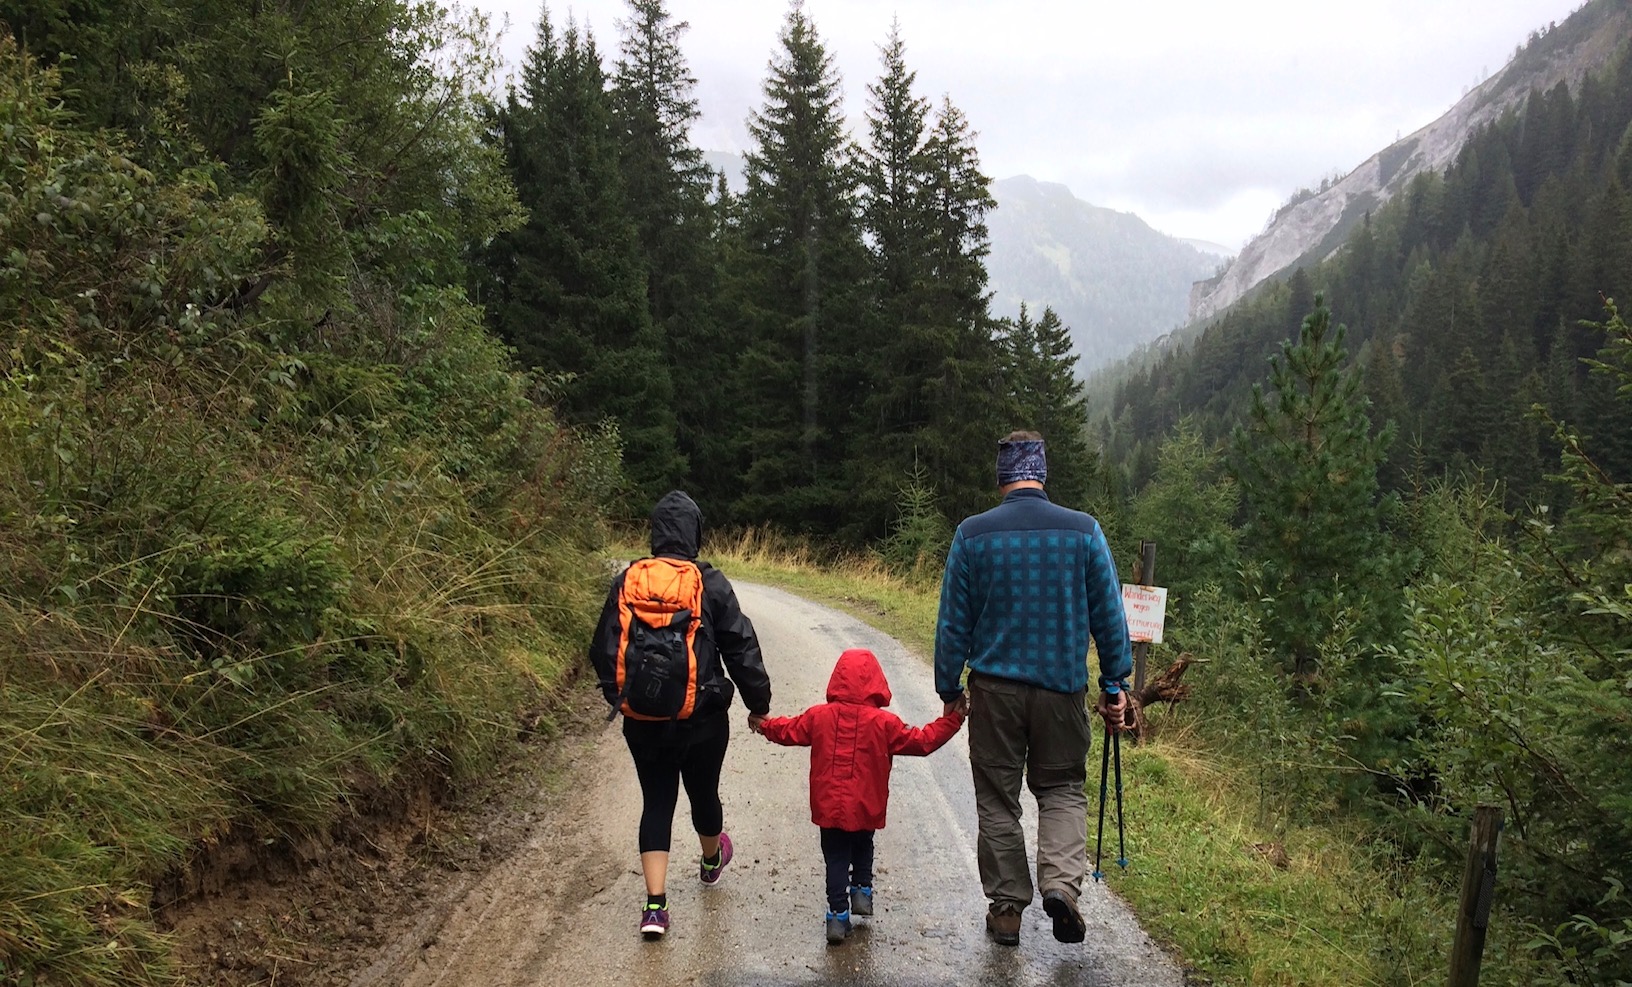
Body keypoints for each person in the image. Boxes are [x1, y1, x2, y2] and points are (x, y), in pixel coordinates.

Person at [933, 431, 1133, 947]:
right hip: (1062, 690)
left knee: (998, 800)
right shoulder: (1084, 532)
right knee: (1063, 788)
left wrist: (947, 685)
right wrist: (1116, 684)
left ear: (1001, 476)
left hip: (995, 693)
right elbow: (1110, 618)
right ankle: (1061, 887)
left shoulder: (972, 536)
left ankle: (1006, 912)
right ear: (1041, 472)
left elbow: (953, 623)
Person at [588, 490, 772, 939]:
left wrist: (625, 697)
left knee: (657, 801)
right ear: (695, 533)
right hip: (702, 720)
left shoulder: (628, 580)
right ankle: (711, 861)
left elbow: (602, 649)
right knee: (703, 793)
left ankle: (655, 906)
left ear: (655, 533)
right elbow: (741, 646)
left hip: (643, 720)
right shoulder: (709, 582)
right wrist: (758, 705)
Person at [755, 648, 965, 944]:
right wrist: (953, 721)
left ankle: (838, 916)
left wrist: (765, 725)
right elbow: (922, 741)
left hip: (829, 806)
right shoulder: (885, 723)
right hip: (866, 804)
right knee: (864, 842)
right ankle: (862, 890)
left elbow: (789, 730)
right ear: (876, 682)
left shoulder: (819, 717)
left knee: (836, 856)